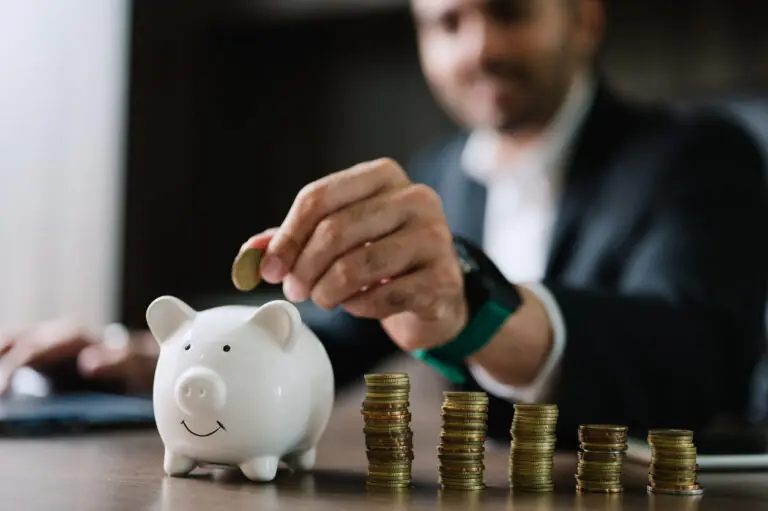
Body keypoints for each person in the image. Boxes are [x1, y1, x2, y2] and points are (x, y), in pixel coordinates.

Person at [1, 0, 766, 445]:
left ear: (586, 18)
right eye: (447, 23)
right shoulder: (438, 172)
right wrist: (147, 352)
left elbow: (699, 348)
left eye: (509, 9)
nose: (480, 47)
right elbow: (327, 328)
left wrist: (473, 312)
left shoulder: (698, 157)